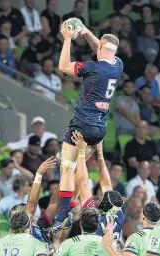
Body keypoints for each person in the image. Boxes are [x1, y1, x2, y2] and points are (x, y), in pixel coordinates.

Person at [52, 20, 122, 231]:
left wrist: (67, 39)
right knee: (76, 169)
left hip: (82, 124)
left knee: (67, 168)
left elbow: (63, 66)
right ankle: (70, 205)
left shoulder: (92, 68)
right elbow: (102, 49)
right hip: (99, 129)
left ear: (101, 47)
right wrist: (86, 32)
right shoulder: (118, 65)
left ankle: (63, 214)